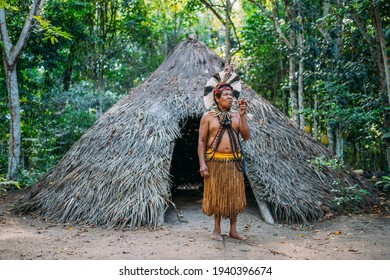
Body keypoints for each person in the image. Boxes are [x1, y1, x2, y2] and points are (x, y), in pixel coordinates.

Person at [198, 72, 250, 241]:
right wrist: (202, 164)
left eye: (231, 95)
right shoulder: (208, 117)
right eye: (226, 95)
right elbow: (201, 141)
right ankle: (216, 230)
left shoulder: (236, 115)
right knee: (217, 196)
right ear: (217, 98)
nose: (230, 97)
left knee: (234, 197)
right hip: (215, 163)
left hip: (234, 162)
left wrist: (242, 116)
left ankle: (233, 230)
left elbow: (246, 136)